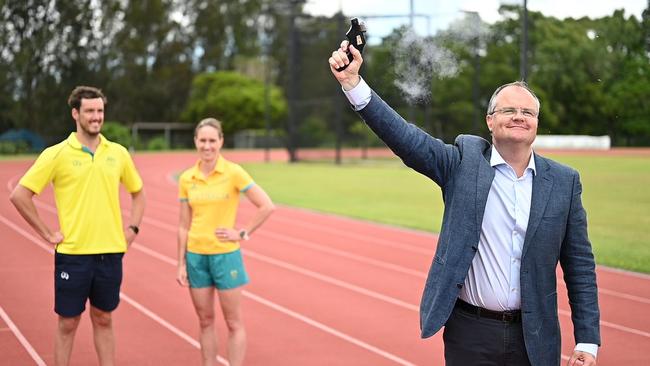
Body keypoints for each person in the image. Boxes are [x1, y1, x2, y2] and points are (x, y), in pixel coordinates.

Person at [328, 41, 600, 366]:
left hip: (535, 336)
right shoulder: (462, 163)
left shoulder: (564, 182)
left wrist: (587, 339)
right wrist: (353, 84)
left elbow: (580, 266)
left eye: (527, 112)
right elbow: (405, 138)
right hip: (470, 333)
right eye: (508, 110)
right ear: (489, 121)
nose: (518, 117)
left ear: (537, 123)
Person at [9, 86, 145, 366]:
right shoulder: (57, 154)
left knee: (104, 319)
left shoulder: (117, 153)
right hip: (73, 255)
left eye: (100, 111)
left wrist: (132, 229)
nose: (96, 117)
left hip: (110, 253)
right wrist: (47, 232)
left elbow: (138, 193)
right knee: (68, 323)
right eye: (90, 111)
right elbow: (19, 195)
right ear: (75, 113)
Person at [176, 118, 275, 366]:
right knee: (205, 321)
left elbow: (266, 205)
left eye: (212, 140)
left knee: (233, 322)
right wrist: (180, 263)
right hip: (196, 256)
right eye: (202, 140)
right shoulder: (187, 178)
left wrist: (242, 233)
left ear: (221, 141)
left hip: (225, 255)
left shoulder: (233, 172)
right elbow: (182, 225)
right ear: (195, 142)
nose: (207, 146)